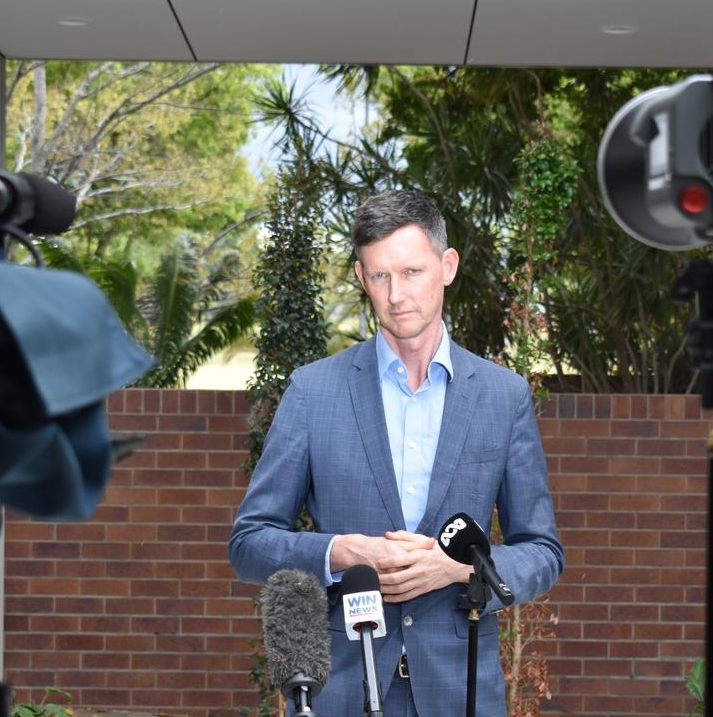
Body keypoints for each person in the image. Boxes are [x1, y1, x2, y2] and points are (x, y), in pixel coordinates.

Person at [229, 190, 563, 716]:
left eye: (412, 272)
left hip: (461, 695)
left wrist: (458, 570)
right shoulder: (313, 391)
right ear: (362, 278)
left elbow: (542, 553)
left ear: (447, 266)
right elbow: (249, 543)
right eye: (380, 276)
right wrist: (342, 552)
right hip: (339, 693)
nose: (396, 294)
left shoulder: (503, 396)